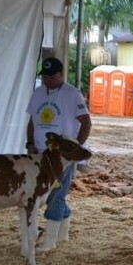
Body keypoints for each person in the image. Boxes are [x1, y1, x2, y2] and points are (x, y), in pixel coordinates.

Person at [26, 56, 92, 252]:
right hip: (39, 155)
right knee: (48, 192)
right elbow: (32, 122)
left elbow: (86, 122)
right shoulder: (38, 93)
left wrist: (74, 148)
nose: (48, 80)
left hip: (62, 157)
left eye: (52, 77)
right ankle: (62, 233)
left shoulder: (73, 94)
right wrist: (29, 143)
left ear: (61, 75)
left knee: (56, 194)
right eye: (45, 77)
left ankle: (49, 241)